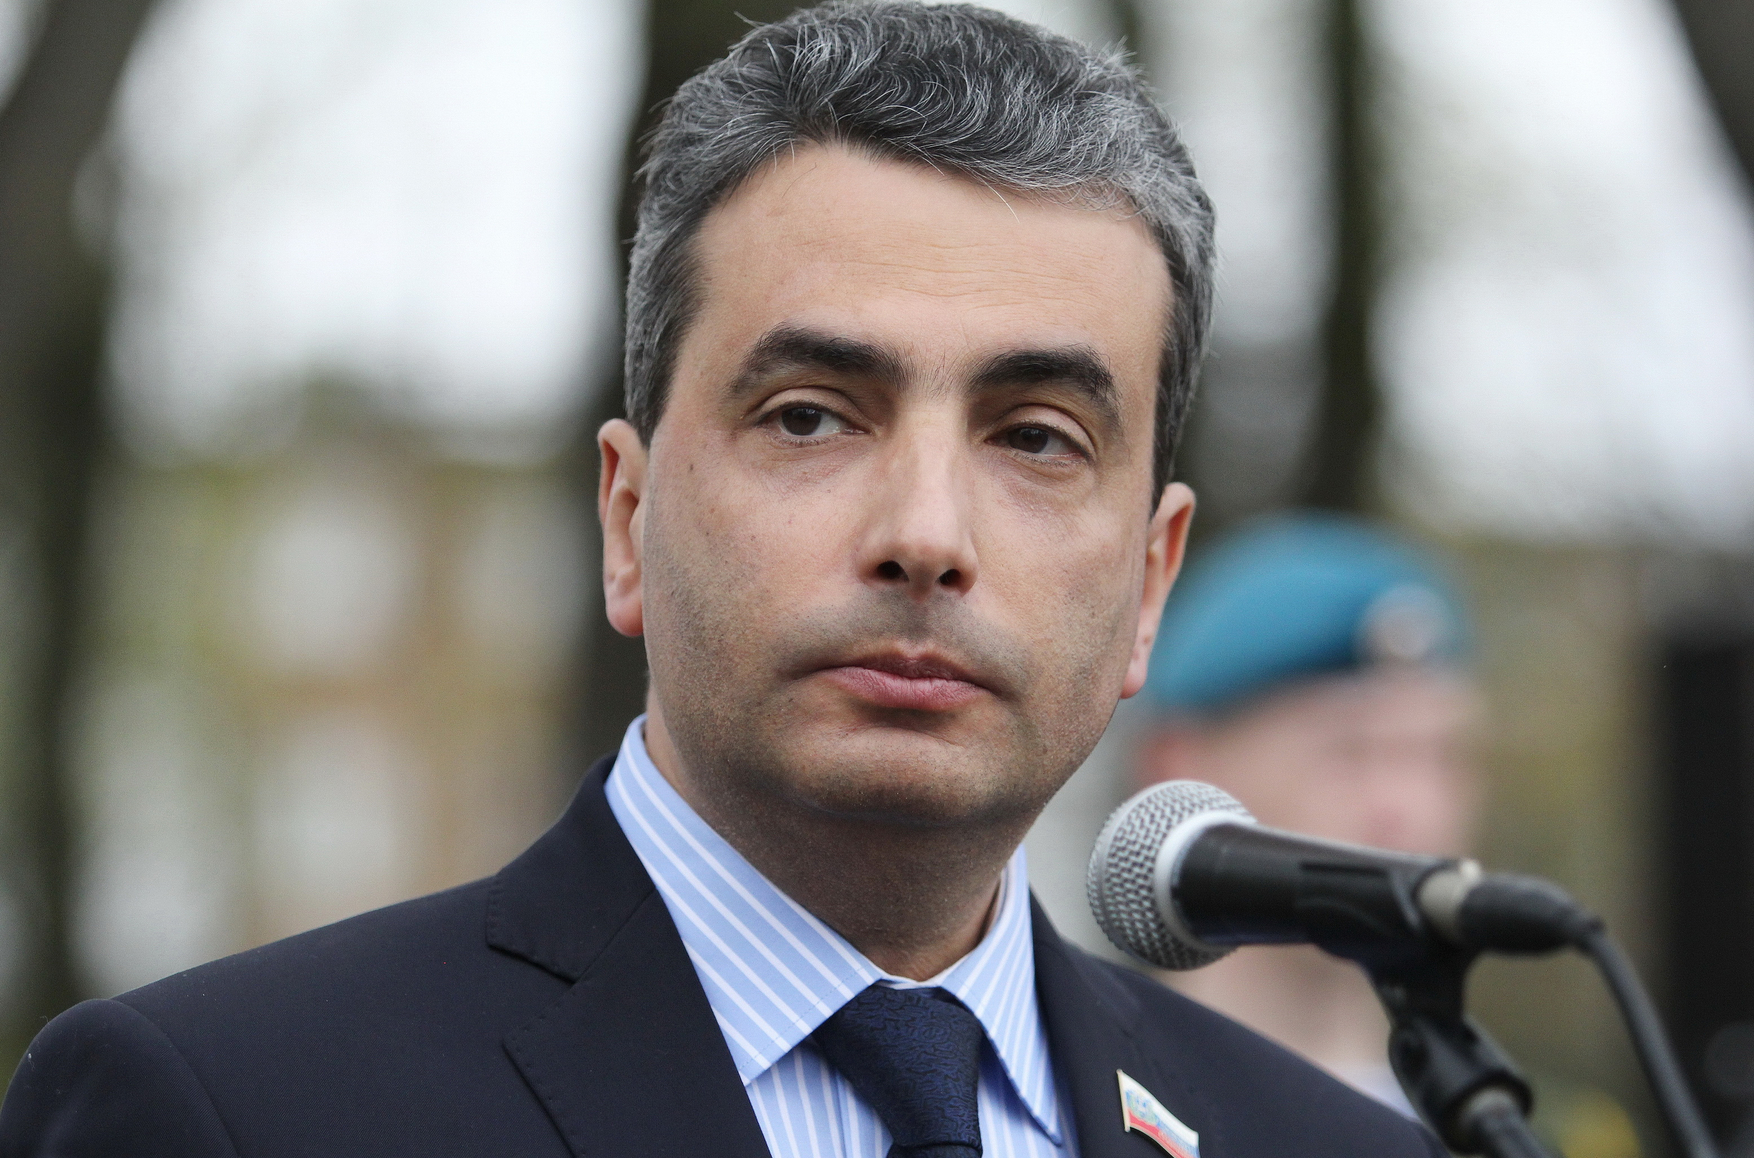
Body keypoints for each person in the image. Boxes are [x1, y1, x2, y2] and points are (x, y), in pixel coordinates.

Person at [1, 6, 1443, 1156]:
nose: (924, 532)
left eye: (1033, 437)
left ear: (1148, 584)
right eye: (811, 416)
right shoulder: (237, 1109)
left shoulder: (1327, 1143)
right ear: (627, 520)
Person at [1134, 512, 1482, 1115]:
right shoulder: (1071, 1105)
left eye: (1440, 755)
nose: (1407, 808)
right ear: (1179, 768)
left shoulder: (1523, 1133)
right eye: (1349, 751)